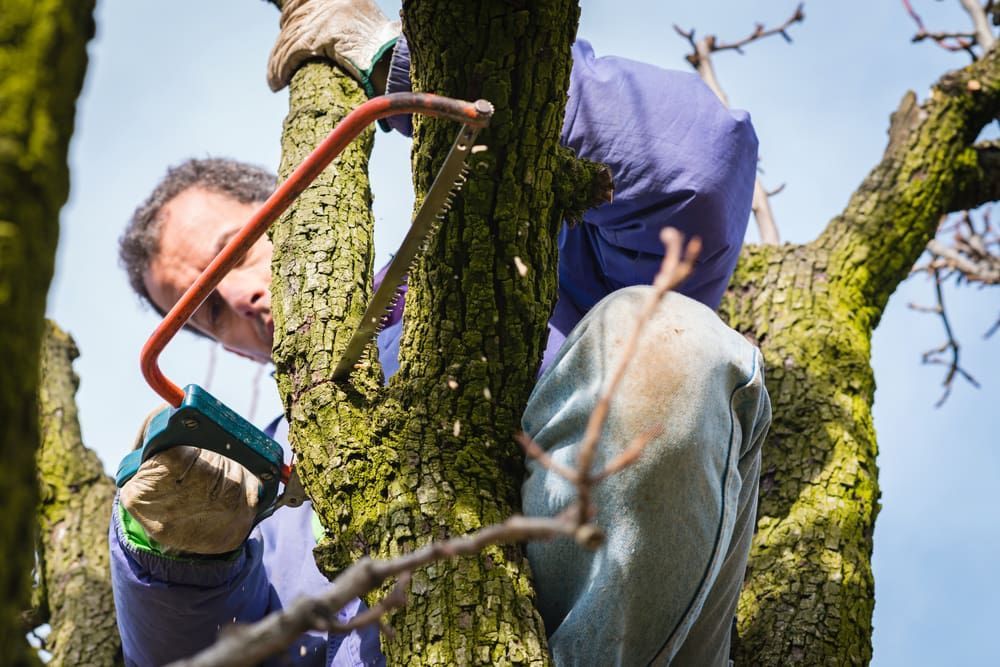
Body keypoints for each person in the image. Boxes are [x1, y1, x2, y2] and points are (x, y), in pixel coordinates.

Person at [111, 1, 770, 665]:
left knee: (669, 335)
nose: (237, 296)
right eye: (207, 312)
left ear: (297, 203)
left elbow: (698, 165)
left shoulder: (521, 258)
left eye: (234, 252)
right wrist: (178, 563)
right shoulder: (259, 485)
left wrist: (402, 69)